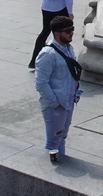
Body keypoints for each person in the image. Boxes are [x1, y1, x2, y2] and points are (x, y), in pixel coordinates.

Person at [33, 15, 82, 163]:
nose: (71, 33)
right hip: (55, 105)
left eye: (72, 30)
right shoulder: (48, 54)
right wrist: (55, 102)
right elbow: (40, 83)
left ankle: (61, 161)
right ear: (57, 34)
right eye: (68, 31)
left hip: (67, 102)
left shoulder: (68, 48)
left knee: (62, 137)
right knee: (53, 141)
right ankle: (54, 168)